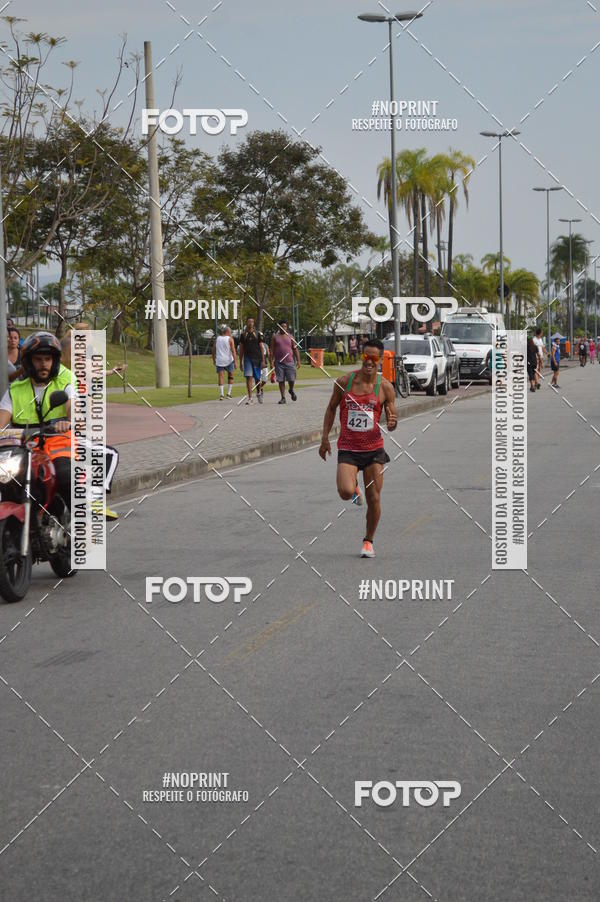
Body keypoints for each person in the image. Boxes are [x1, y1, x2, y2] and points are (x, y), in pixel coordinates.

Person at [319, 338, 398, 558]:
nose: (369, 361)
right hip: (349, 448)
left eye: (374, 358)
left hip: (374, 450)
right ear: (361, 357)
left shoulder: (385, 387)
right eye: (366, 356)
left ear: (380, 360)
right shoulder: (344, 382)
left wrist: (393, 423)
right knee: (345, 492)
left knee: (374, 498)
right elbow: (331, 408)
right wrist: (324, 438)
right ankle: (354, 487)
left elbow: (392, 418)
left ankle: (368, 541)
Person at [0, 332, 73, 507]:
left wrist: (69, 421)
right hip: (25, 448)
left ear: (54, 362)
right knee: (8, 479)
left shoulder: (63, 384)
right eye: (38, 359)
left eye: (48, 359)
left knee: (65, 476)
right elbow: (2, 419)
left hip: (58, 444)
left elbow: (73, 407)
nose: (43, 364)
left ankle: (81, 520)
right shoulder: (15, 390)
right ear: (28, 362)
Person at [60, 335, 120, 520]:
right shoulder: (65, 376)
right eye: (75, 354)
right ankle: (93, 501)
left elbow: (96, 374)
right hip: (62, 436)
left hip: (74, 425)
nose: (79, 357)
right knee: (110, 455)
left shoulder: (69, 372)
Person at [270, 320, 301, 405]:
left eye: (285, 326)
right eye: (282, 326)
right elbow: (272, 350)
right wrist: (271, 361)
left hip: (289, 362)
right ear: (279, 327)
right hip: (279, 362)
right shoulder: (275, 337)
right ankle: (283, 398)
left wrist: (298, 361)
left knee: (291, 379)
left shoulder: (290, 336)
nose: (284, 328)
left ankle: (291, 389)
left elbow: (295, 349)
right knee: (281, 380)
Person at [238, 316, 265, 405]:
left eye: (252, 322)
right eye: (249, 322)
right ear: (246, 323)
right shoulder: (243, 335)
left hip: (257, 358)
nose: (250, 323)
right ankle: (250, 398)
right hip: (247, 358)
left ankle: (259, 392)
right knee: (249, 377)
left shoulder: (258, 334)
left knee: (257, 378)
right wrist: (240, 361)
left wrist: (263, 360)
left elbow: (261, 347)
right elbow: (241, 349)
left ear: (254, 323)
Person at [212, 325, 237, 400]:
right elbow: (233, 351)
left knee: (221, 377)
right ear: (227, 332)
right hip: (229, 360)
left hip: (220, 360)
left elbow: (213, 350)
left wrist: (214, 359)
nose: (231, 333)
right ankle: (228, 394)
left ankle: (221, 395)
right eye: (230, 332)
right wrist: (235, 361)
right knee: (231, 376)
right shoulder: (230, 339)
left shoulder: (217, 339)